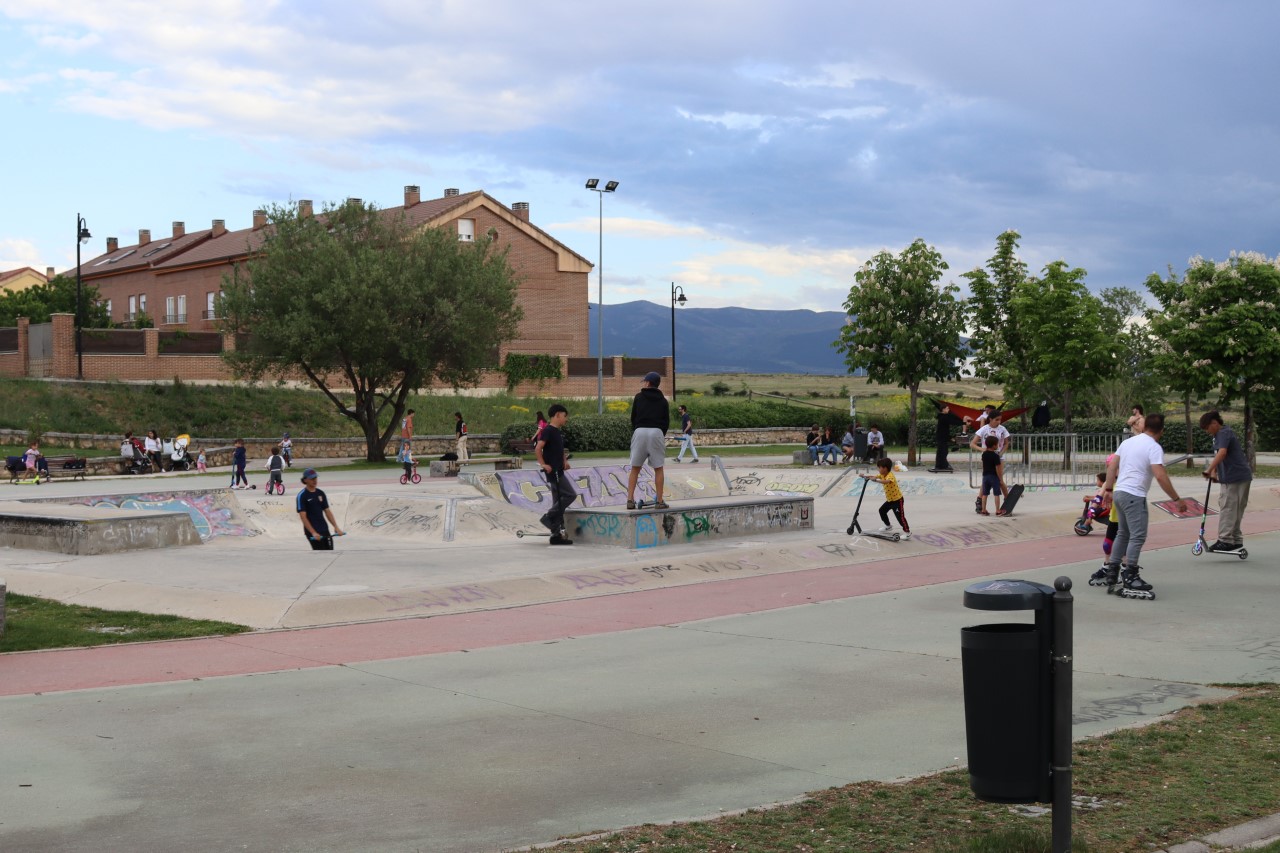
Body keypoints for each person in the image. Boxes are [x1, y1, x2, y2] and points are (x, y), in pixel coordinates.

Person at [1095, 413, 1187, 598]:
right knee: (1137, 536)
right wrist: (1177, 499)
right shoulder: (1153, 447)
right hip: (1134, 495)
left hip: (1120, 492)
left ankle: (1112, 570)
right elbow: (1160, 475)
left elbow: (1112, 466)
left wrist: (1110, 489)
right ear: (1161, 431)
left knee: (1123, 533)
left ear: (1145, 427)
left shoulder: (1128, 442)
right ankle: (1130, 575)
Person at [1200, 411, 1252, 554]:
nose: (1206, 432)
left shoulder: (1223, 433)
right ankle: (1235, 539)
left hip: (1234, 477)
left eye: (1207, 428)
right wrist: (1215, 472)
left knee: (1228, 508)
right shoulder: (1222, 433)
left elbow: (1222, 453)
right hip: (1240, 475)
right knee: (1235, 509)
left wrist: (1209, 469)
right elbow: (1220, 455)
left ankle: (1225, 540)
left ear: (1214, 423)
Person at [625, 371, 670, 510]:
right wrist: (660, 433)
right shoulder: (663, 400)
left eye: (645, 381)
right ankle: (660, 501)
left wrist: (637, 429)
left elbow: (633, 417)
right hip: (656, 431)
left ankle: (630, 500)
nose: (643, 383)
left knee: (635, 468)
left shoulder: (638, 397)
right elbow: (666, 421)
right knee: (658, 468)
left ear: (648, 383)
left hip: (640, 431)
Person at [535, 403, 577, 545]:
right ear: (558, 415)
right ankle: (548, 516)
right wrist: (543, 464)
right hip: (553, 471)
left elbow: (560, 450)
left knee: (558, 501)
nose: (566, 419)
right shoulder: (548, 430)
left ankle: (555, 535)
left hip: (559, 470)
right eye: (565, 416)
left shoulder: (557, 432)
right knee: (570, 495)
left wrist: (564, 461)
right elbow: (538, 448)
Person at [860, 456, 911, 540]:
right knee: (882, 511)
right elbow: (873, 476)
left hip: (898, 500)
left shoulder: (890, 476)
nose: (878, 469)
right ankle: (888, 526)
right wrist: (864, 476)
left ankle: (907, 532)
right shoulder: (882, 474)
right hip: (890, 500)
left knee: (900, 517)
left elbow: (886, 482)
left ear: (885, 468)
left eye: (879, 468)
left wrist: (876, 480)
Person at [296, 468, 343, 550]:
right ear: (305, 480)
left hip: (324, 529)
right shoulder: (302, 495)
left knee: (330, 552)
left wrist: (336, 527)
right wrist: (313, 532)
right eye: (312, 479)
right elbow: (303, 517)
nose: (314, 481)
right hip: (313, 532)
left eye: (315, 478)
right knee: (321, 556)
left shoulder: (320, 493)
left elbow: (327, 511)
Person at [978, 435, 1008, 515]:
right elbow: (998, 468)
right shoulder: (996, 456)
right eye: (997, 444)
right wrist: (1000, 479)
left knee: (985, 494)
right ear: (994, 445)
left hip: (985, 476)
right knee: (996, 494)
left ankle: (983, 510)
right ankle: (998, 510)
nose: (998, 445)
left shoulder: (984, 454)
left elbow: (983, 465)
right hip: (994, 477)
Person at [931, 404, 964, 472]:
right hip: (942, 437)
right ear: (943, 409)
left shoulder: (942, 417)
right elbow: (953, 422)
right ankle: (943, 466)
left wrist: (949, 438)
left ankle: (939, 465)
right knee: (943, 451)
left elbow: (945, 429)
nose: (948, 410)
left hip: (942, 436)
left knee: (941, 451)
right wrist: (964, 423)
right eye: (947, 408)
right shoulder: (944, 417)